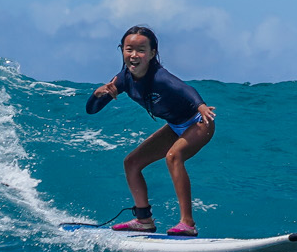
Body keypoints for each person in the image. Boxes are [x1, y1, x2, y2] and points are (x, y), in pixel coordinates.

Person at [84, 25, 216, 234]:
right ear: (122, 50)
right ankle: (143, 219)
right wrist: (96, 94)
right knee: (131, 162)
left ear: (152, 53)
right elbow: (92, 110)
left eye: (141, 50)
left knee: (173, 156)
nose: (134, 55)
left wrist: (200, 105)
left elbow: (184, 89)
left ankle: (187, 223)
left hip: (199, 121)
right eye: (129, 49)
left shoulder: (159, 76)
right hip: (175, 125)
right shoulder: (123, 79)